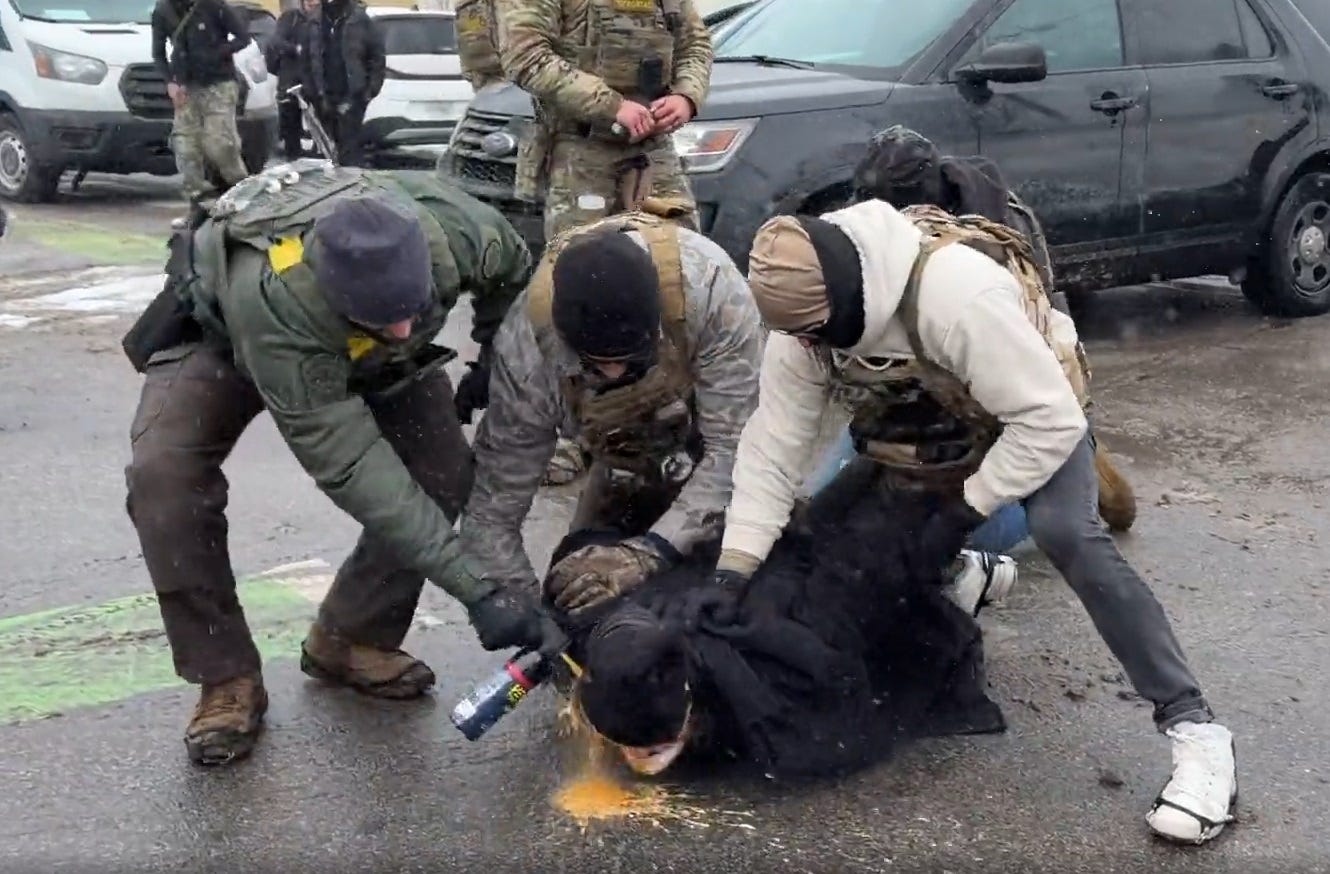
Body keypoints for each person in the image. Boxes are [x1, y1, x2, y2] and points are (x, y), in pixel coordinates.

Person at [710, 199, 1238, 845]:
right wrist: (735, 568)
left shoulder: (956, 295)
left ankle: (1196, 732)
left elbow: (1049, 421)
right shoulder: (802, 331)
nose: (805, 349)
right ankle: (964, 575)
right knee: (825, 531)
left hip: (1032, 411)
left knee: (1067, 533)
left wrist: (968, 505)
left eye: (815, 334)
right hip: (925, 417)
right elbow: (771, 450)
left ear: (847, 299)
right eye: (797, 338)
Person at [121, 161, 560, 766]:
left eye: (415, 308)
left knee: (441, 471)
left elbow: (513, 277)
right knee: (163, 479)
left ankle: (350, 637)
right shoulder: (282, 296)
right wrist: (477, 591)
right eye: (387, 318)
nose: (408, 326)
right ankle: (225, 677)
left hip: (361, 351)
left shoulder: (461, 233)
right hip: (224, 333)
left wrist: (489, 349)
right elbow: (353, 464)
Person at [552, 468, 1006, 780]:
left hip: (872, 570)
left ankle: (961, 574)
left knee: (942, 506)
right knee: (855, 486)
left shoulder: (790, 701)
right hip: (797, 546)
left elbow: (860, 575)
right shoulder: (661, 627)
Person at [456, 208, 762, 622]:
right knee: (580, 592)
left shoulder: (710, 291)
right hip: (615, 451)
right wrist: (518, 607)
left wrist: (652, 551)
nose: (615, 373)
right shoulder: (528, 353)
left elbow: (739, 450)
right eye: (598, 364)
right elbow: (495, 505)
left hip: (706, 428)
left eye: (630, 361)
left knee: (738, 594)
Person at [500, 0, 713, 242]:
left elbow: (695, 44)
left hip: (652, 149)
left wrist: (686, 96)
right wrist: (612, 105)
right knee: (581, 260)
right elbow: (525, 55)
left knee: (680, 254)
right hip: (580, 151)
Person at [151, 0, 253, 212]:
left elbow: (243, 38)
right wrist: (170, 82)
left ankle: (241, 191)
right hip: (186, 85)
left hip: (219, 83)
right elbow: (158, 53)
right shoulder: (163, 10)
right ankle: (197, 202)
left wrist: (217, 53)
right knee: (186, 147)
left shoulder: (214, 5)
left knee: (220, 144)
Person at [306, 0, 386, 166]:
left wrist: (369, 91)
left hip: (352, 96)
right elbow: (307, 59)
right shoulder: (315, 21)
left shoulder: (360, 20)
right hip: (323, 97)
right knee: (324, 152)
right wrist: (312, 92)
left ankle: (350, 184)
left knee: (349, 149)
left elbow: (377, 57)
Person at [266, 0, 320, 159]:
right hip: (291, 80)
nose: (313, 3)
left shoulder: (324, 19)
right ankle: (293, 158)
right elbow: (276, 41)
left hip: (316, 80)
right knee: (290, 123)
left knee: (320, 123)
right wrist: (296, 49)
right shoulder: (291, 18)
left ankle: (320, 155)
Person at [455, 0, 507, 91]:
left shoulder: (464, 7)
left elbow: (461, 38)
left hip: (482, 77)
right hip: (502, 72)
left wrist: (467, 69)